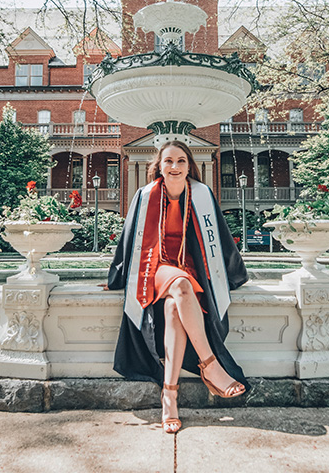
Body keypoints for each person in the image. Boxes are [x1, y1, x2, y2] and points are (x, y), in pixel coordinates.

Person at [105, 140, 249, 434]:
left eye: (181, 161)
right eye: (168, 161)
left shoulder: (201, 195)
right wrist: (118, 277)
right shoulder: (145, 196)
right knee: (181, 286)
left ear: (188, 166)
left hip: (189, 269)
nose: (174, 166)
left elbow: (219, 239)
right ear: (158, 165)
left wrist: (232, 275)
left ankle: (169, 395)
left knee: (174, 309)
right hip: (156, 269)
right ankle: (210, 365)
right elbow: (128, 242)